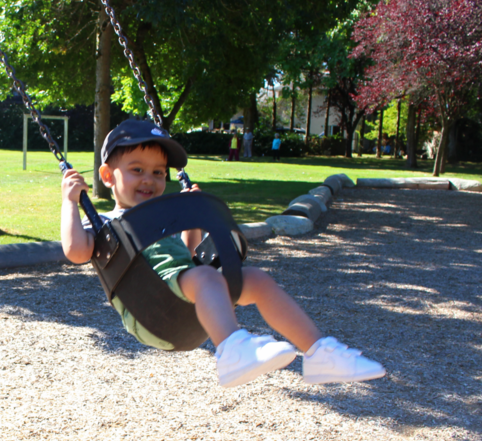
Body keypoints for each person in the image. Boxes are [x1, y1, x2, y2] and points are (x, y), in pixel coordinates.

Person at [60, 119, 385, 388]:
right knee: (203, 276)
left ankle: (319, 353)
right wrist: (70, 203)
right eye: (137, 169)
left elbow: (186, 257)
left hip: (183, 303)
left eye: (159, 172)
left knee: (255, 278)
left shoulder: (160, 223)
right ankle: (232, 349)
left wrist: (190, 217)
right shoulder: (106, 226)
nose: (149, 179)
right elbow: (75, 251)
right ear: (107, 176)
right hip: (151, 313)